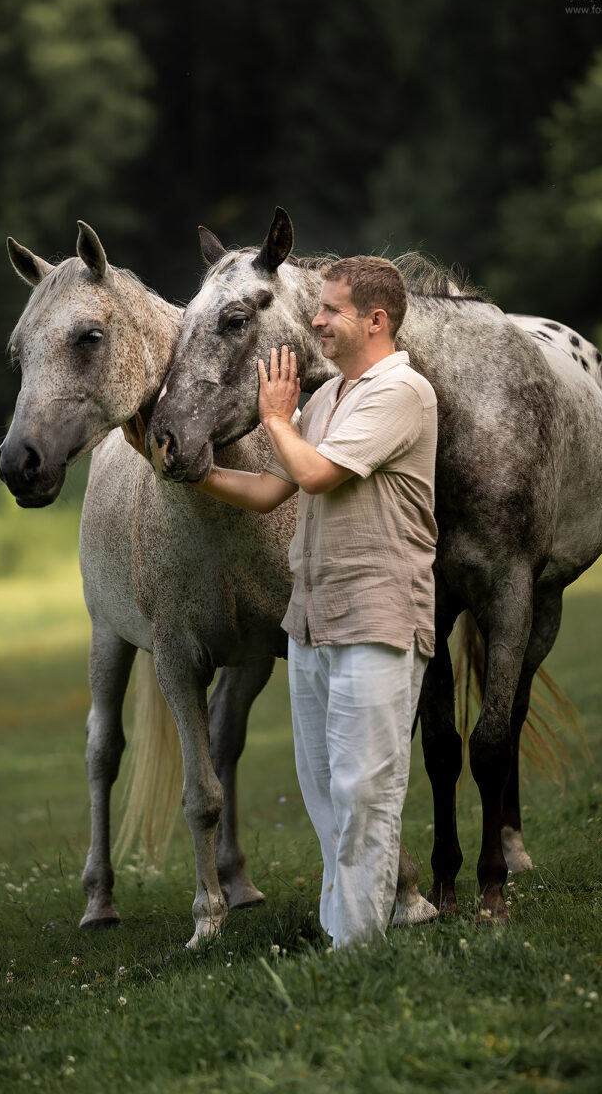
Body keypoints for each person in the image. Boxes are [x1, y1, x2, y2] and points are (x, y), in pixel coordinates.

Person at [171, 257, 438, 948]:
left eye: (331, 309)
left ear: (376, 320)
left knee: (363, 787)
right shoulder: (324, 401)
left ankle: (356, 947)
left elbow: (315, 474)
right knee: (322, 788)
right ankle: (344, 929)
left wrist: (272, 418)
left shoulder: (402, 393)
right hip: (313, 620)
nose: (315, 319)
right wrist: (186, 470)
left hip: (377, 617)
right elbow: (268, 490)